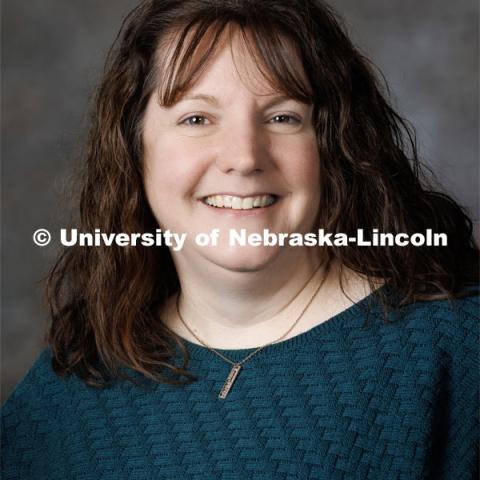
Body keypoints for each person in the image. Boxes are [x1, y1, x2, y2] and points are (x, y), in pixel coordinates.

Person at [2, 0, 478, 478]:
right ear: (133, 148)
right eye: (196, 119)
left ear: (333, 145)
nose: (244, 157)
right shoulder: (71, 382)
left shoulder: (455, 344)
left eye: (282, 117)